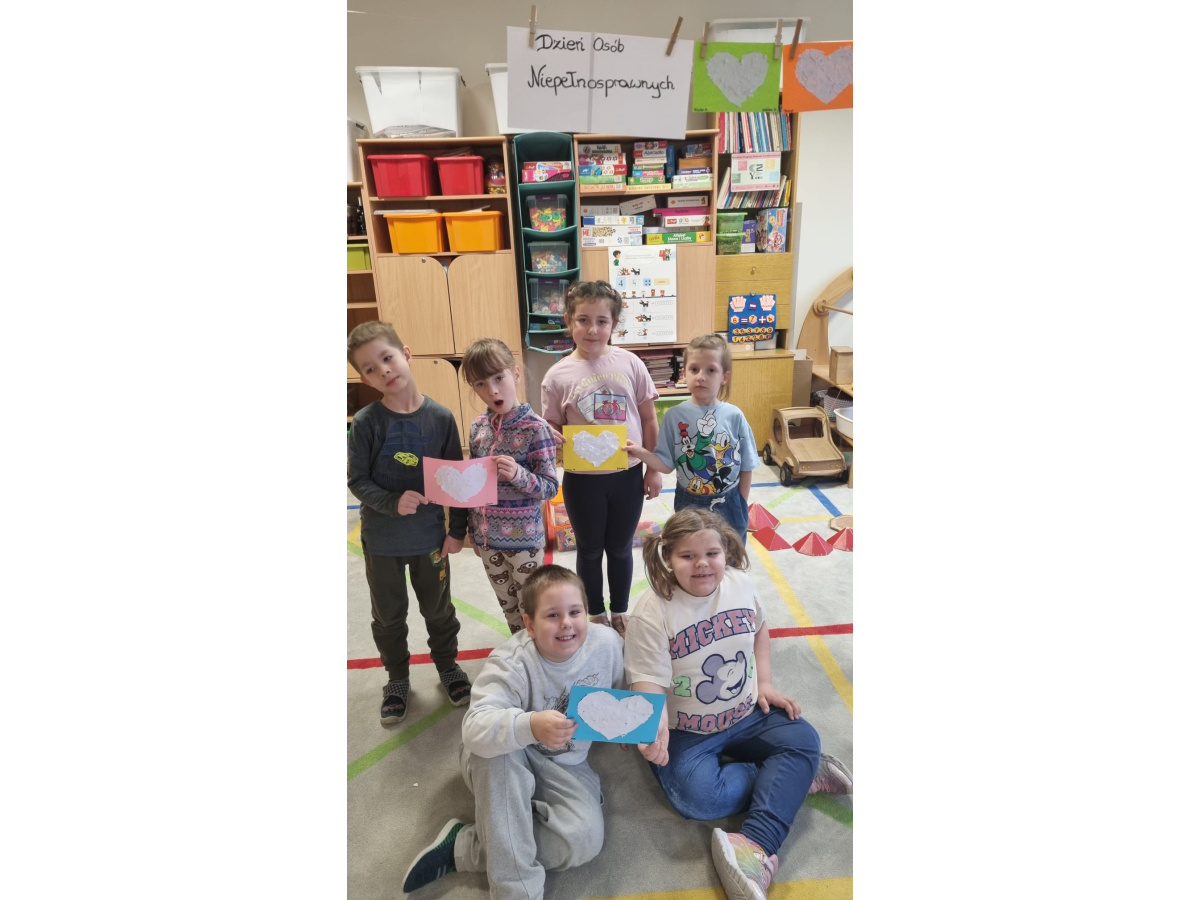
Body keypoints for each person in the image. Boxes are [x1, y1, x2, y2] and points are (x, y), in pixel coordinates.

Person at [625, 509, 853, 900]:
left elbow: (759, 628)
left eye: (711, 554)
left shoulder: (741, 584)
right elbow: (647, 679)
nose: (702, 564)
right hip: (687, 732)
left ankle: (756, 844)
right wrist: (654, 722)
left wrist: (765, 683)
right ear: (668, 557)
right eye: (687, 556)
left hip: (745, 713)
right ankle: (793, 777)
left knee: (805, 739)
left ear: (726, 552)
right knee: (699, 799)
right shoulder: (652, 610)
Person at [401, 565, 625, 898]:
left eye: (575, 612)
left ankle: (470, 846)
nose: (566, 623)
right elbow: (474, 729)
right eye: (553, 615)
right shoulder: (511, 661)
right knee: (496, 753)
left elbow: (626, 690)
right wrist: (530, 725)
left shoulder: (607, 644)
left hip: (566, 765)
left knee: (584, 840)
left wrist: (624, 726)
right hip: (506, 758)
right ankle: (516, 890)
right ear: (530, 625)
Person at [347, 321, 472, 726]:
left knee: (439, 610)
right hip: (382, 542)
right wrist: (391, 501)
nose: (383, 370)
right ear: (364, 378)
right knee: (388, 615)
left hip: (430, 540)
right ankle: (397, 678)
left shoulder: (441, 417)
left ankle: (448, 666)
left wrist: (457, 532)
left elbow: (456, 480)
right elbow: (356, 480)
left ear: (406, 354)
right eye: (370, 368)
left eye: (387, 358)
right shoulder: (366, 422)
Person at [541, 280, 662, 637]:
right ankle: (595, 613)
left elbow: (649, 418)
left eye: (602, 321)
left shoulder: (630, 363)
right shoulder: (557, 375)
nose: (592, 329)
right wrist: (550, 434)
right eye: (583, 320)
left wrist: (653, 469)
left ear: (614, 324)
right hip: (582, 480)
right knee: (590, 550)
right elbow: (551, 423)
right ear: (568, 321)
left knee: (621, 548)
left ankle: (619, 611)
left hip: (627, 474)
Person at [460, 338, 559, 633]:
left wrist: (518, 474)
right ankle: (519, 647)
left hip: (524, 540)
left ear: (515, 374)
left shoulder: (536, 429)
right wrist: (474, 533)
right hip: (488, 540)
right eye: (480, 383)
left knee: (533, 606)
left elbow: (550, 487)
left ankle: (538, 649)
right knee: (508, 606)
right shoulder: (478, 428)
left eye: (498, 378)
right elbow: (472, 487)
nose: (492, 390)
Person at [625, 332, 759, 543]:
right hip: (689, 501)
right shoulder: (673, 416)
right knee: (690, 552)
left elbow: (747, 465)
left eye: (711, 370)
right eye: (694, 369)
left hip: (730, 501)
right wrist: (641, 452)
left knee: (731, 554)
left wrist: (741, 501)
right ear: (684, 373)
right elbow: (666, 465)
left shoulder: (734, 415)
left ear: (724, 377)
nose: (701, 377)